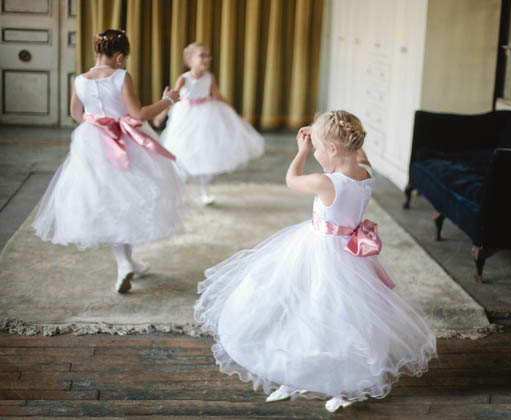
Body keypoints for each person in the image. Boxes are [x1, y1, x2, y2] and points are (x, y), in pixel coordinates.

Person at [194, 110, 437, 412]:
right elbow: (357, 151)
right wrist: (332, 133)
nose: (317, 152)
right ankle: (303, 373)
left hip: (323, 254)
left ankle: (339, 381)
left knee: (312, 309)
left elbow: (291, 179)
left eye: (321, 148)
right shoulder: (366, 171)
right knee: (340, 316)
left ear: (334, 149)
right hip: (350, 256)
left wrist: (301, 151)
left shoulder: (327, 182)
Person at [33, 29, 184, 294]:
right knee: (127, 199)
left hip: (93, 143)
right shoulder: (121, 76)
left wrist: (98, 123)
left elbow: (76, 114)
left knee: (107, 201)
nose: (123, 63)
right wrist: (168, 100)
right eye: (123, 58)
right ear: (118, 56)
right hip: (126, 142)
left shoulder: (80, 79)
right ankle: (126, 264)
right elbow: (138, 115)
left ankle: (126, 263)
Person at [154, 42, 264, 205]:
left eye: (208, 56)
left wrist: (232, 112)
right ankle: (175, 190)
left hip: (205, 115)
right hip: (185, 116)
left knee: (204, 153)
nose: (206, 59)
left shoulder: (209, 77)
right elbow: (172, 98)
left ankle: (205, 191)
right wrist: (161, 114)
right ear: (190, 59)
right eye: (202, 55)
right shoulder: (183, 79)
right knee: (179, 150)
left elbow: (217, 94)